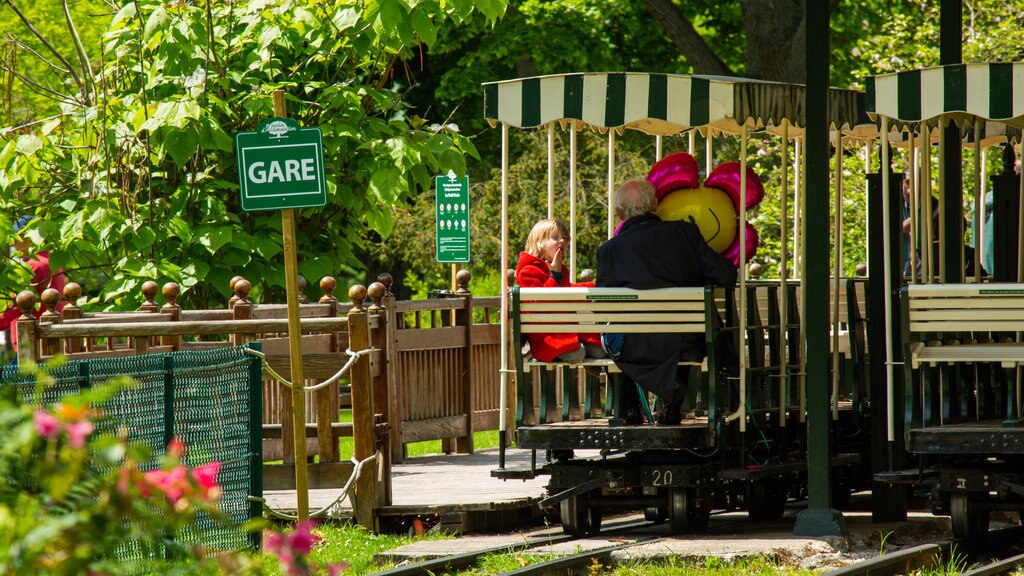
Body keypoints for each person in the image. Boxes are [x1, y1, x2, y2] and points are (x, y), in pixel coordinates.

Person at [597, 178, 737, 425]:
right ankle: (672, 406)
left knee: (618, 335)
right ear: (655, 205)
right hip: (684, 340)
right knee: (679, 331)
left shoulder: (609, 250)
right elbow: (724, 275)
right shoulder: (684, 233)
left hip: (633, 346)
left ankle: (629, 408)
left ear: (618, 213)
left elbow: (603, 306)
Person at [516, 218, 605, 363]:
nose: (562, 241)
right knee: (577, 354)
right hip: (546, 337)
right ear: (539, 244)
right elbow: (538, 304)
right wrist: (554, 275)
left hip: (565, 330)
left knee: (600, 351)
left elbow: (566, 291)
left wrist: (593, 287)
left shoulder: (560, 268)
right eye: (555, 238)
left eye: (564, 238)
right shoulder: (528, 270)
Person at [0, 215, 66, 354]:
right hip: (51, 340)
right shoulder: (52, 263)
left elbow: (17, 305)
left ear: (30, 238)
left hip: (33, 344)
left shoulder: (32, 267)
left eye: (17, 239)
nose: (12, 244)